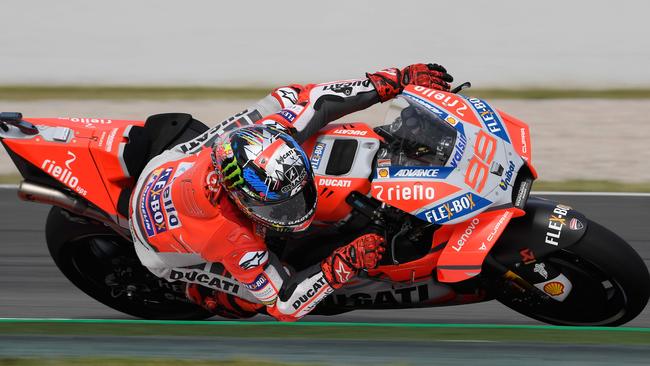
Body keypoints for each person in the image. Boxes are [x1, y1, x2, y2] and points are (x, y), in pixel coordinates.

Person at [128, 63, 454, 321]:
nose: (296, 211)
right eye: (279, 207)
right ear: (242, 202)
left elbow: (317, 100)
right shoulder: (229, 238)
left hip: (171, 163)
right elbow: (284, 304)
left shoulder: (268, 132)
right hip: (157, 248)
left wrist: (393, 80)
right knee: (251, 298)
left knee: (286, 97)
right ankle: (203, 294)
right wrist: (341, 263)